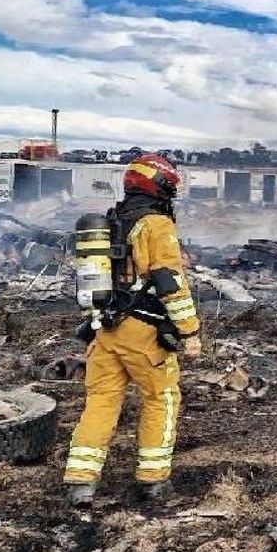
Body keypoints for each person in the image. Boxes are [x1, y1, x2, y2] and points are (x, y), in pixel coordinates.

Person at [63, 154, 201, 506]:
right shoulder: (156, 225)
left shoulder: (112, 220)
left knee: (100, 401)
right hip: (142, 333)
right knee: (161, 399)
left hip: (105, 330)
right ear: (161, 188)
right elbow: (169, 281)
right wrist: (190, 331)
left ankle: (81, 481)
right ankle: (153, 481)